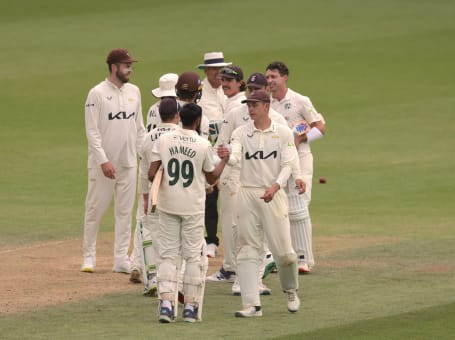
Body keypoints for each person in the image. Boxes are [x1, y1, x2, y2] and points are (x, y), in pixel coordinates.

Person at [217, 90, 305, 317]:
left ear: (266, 106)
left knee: (284, 252)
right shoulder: (240, 133)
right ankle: (252, 305)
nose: (250, 108)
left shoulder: (283, 132)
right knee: (247, 249)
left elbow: (288, 164)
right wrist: (227, 156)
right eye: (249, 105)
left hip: (274, 193)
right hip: (247, 194)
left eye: (255, 104)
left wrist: (275, 187)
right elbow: (236, 157)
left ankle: (291, 290)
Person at [208, 73, 287, 296]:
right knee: (238, 228)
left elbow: (284, 154)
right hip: (236, 180)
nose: (252, 93)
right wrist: (219, 175)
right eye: (250, 89)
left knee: (258, 231)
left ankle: (254, 277)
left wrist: (283, 181)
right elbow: (222, 147)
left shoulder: (277, 120)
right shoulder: (235, 114)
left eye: (257, 89)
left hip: (263, 182)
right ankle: (237, 274)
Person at [148, 103, 229, 323]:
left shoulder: (163, 140)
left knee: (168, 254)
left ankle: (166, 304)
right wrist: (225, 161)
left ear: (178, 118)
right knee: (193, 256)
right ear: (198, 120)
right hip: (192, 207)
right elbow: (212, 178)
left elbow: (151, 173)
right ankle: (190, 308)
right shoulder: (203, 144)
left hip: (167, 204)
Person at [81, 48, 145, 273]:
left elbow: (139, 128)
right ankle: (89, 257)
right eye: (126, 65)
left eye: (130, 65)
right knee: (95, 210)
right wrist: (103, 161)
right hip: (104, 166)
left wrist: (144, 157)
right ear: (114, 67)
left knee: (125, 212)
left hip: (128, 163)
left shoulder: (134, 92)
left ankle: (121, 258)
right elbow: (92, 132)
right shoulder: (97, 93)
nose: (130, 69)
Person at [265, 61, 326, 274]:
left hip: (301, 159)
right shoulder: (267, 103)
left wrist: (301, 140)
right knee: (279, 208)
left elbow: (320, 127)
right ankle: (281, 257)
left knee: (299, 208)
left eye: (274, 77)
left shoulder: (300, 101)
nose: (270, 81)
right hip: (277, 161)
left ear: (285, 77)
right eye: (268, 77)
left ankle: (304, 259)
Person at [129, 98, 180, 296]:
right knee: (175, 236)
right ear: (177, 116)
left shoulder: (148, 138)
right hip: (177, 194)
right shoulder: (181, 135)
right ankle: (174, 279)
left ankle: (152, 278)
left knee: (149, 232)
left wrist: (144, 196)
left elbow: (144, 172)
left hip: (153, 193)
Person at [206, 65, 246, 283]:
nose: (225, 83)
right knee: (234, 220)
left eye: (230, 80)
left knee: (231, 220)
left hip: (232, 171)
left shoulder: (236, 107)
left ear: (241, 82)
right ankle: (234, 267)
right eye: (223, 80)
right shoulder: (234, 104)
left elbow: (223, 145)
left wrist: (214, 175)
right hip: (233, 169)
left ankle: (231, 269)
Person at [197, 52, 231, 258]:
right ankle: (210, 241)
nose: (218, 73)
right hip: (208, 150)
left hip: (229, 150)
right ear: (206, 71)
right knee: (209, 196)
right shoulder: (201, 93)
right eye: (214, 69)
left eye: (221, 69)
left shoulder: (229, 88)